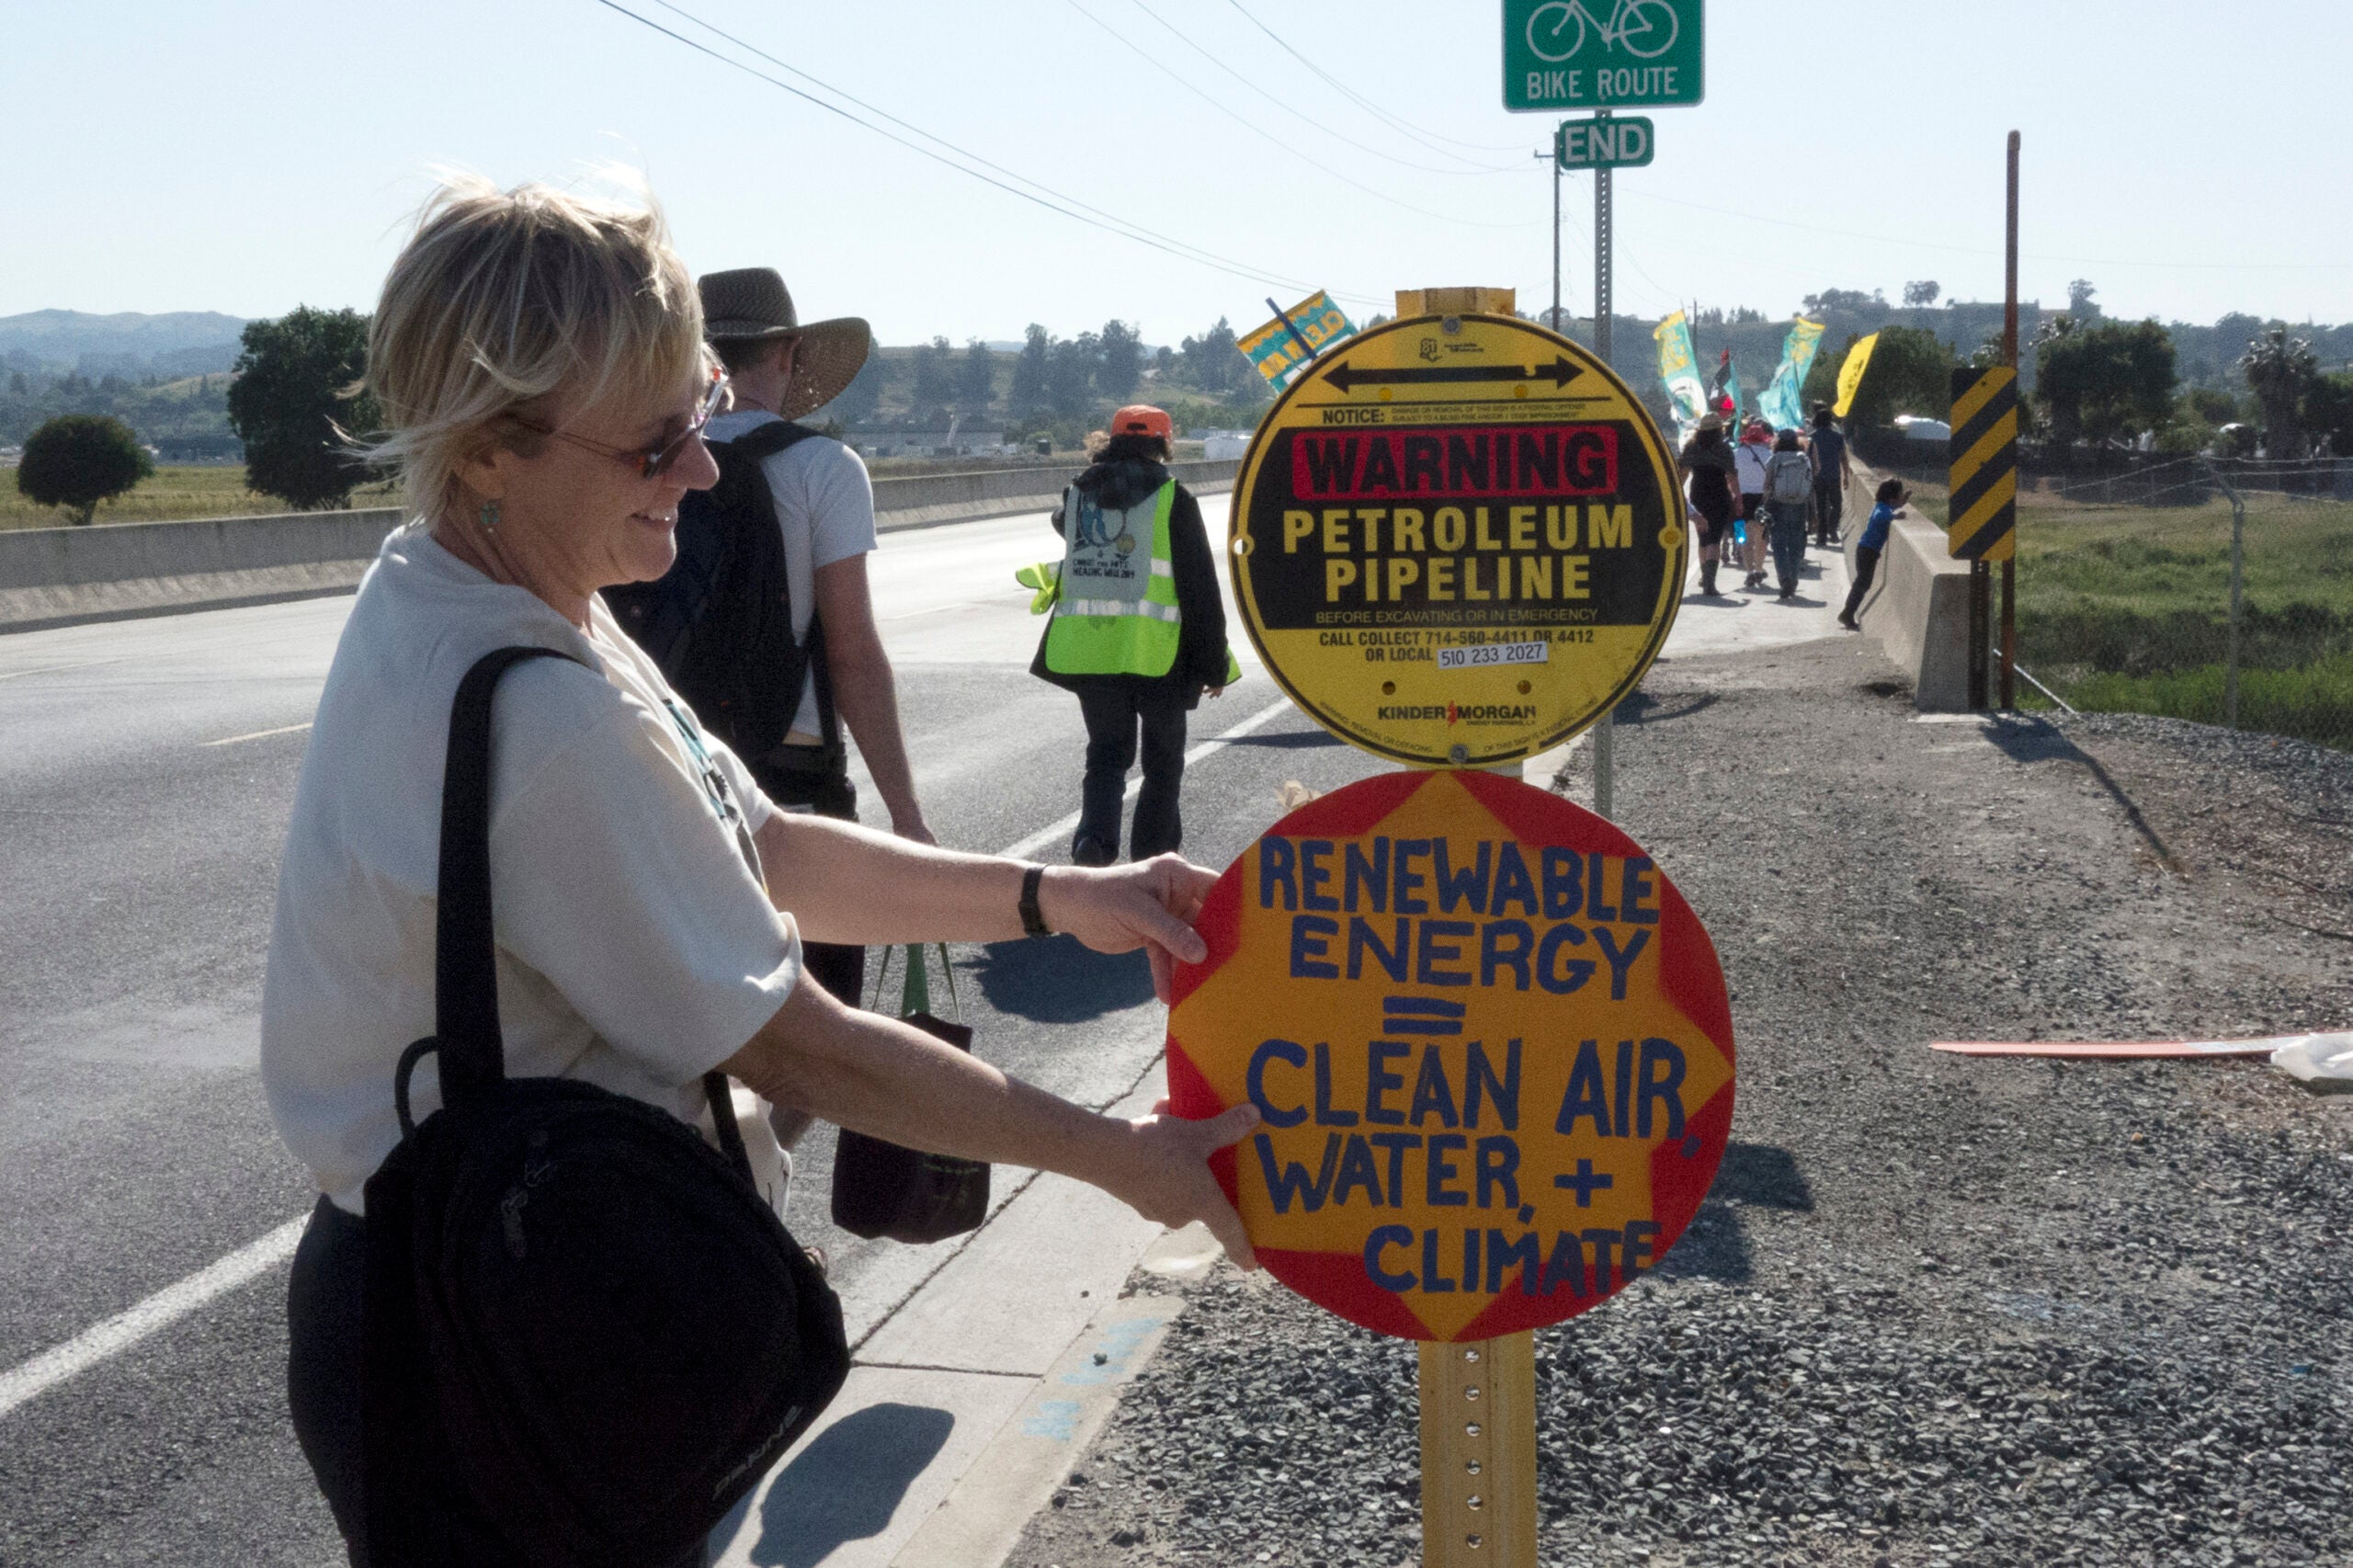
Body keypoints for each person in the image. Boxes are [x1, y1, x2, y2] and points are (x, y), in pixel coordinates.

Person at [262, 177, 1257, 1566]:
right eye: (658, 439)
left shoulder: (479, 586)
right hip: (500, 1320)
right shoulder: (549, 718)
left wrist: (1048, 895)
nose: (708, 464)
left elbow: (768, 848)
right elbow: (807, 1049)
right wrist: (1120, 1157)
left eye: (707, 401)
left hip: (474, 1277)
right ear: (489, 449)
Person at [694, 266, 931, 1018]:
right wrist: (906, 815)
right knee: (823, 1020)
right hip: (789, 773)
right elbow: (851, 652)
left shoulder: (654, 464)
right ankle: (775, 1141)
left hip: (674, 765)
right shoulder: (822, 467)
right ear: (788, 354)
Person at [1032, 406, 1233, 866]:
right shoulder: (1173, 498)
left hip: (1091, 652)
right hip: (1158, 655)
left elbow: (1064, 525)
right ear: (1164, 442)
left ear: (1112, 439)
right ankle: (1153, 860)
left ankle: (1093, 844)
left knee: (1105, 755)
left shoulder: (1077, 495)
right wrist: (1213, 664)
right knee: (1163, 764)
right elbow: (1198, 586)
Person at [1679, 414, 1740, 597]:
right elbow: (1731, 476)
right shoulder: (1723, 449)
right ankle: (1709, 582)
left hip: (1698, 493)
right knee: (1714, 538)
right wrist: (1737, 497)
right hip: (1719, 494)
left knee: (1703, 537)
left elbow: (1682, 475)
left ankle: (1705, 577)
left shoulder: (1691, 447)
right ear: (1719, 429)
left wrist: (1677, 494)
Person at [1841, 478, 1907, 630]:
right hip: (1867, 551)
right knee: (1862, 584)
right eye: (1900, 495)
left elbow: (1890, 508)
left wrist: (1902, 503)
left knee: (1863, 583)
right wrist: (1895, 517)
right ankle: (1847, 613)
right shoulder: (1883, 510)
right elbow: (1880, 517)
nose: (1901, 499)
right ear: (1892, 498)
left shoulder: (1883, 505)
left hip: (1867, 550)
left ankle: (1848, 612)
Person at [1762, 428, 1814, 600]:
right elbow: (1810, 481)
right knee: (1795, 545)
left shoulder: (1774, 459)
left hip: (1778, 504)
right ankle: (1793, 578)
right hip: (1799, 505)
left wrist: (1765, 503)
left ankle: (1784, 578)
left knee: (1778, 545)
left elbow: (1767, 484)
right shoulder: (1803, 458)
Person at [1732, 416, 1773, 590]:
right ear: (1764, 438)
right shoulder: (1769, 455)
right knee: (1761, 538)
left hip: (1740, 500)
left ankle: (1748, 571)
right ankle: (1759, 567)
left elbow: (1730, 477)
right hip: (1762, 500)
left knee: (1742, 537)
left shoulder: (1736, 454)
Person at [1808, 403, 1855, 547]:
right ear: (1829, 421)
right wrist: (1846, 476)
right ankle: (1832, 530)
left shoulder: (1811, 438)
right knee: (1837, 505)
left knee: (1820, 507)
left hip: (1817, 477)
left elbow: (1807, 459)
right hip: (1834, 475)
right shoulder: (1837, 437)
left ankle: (1821, 537)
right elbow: (1843, 457)